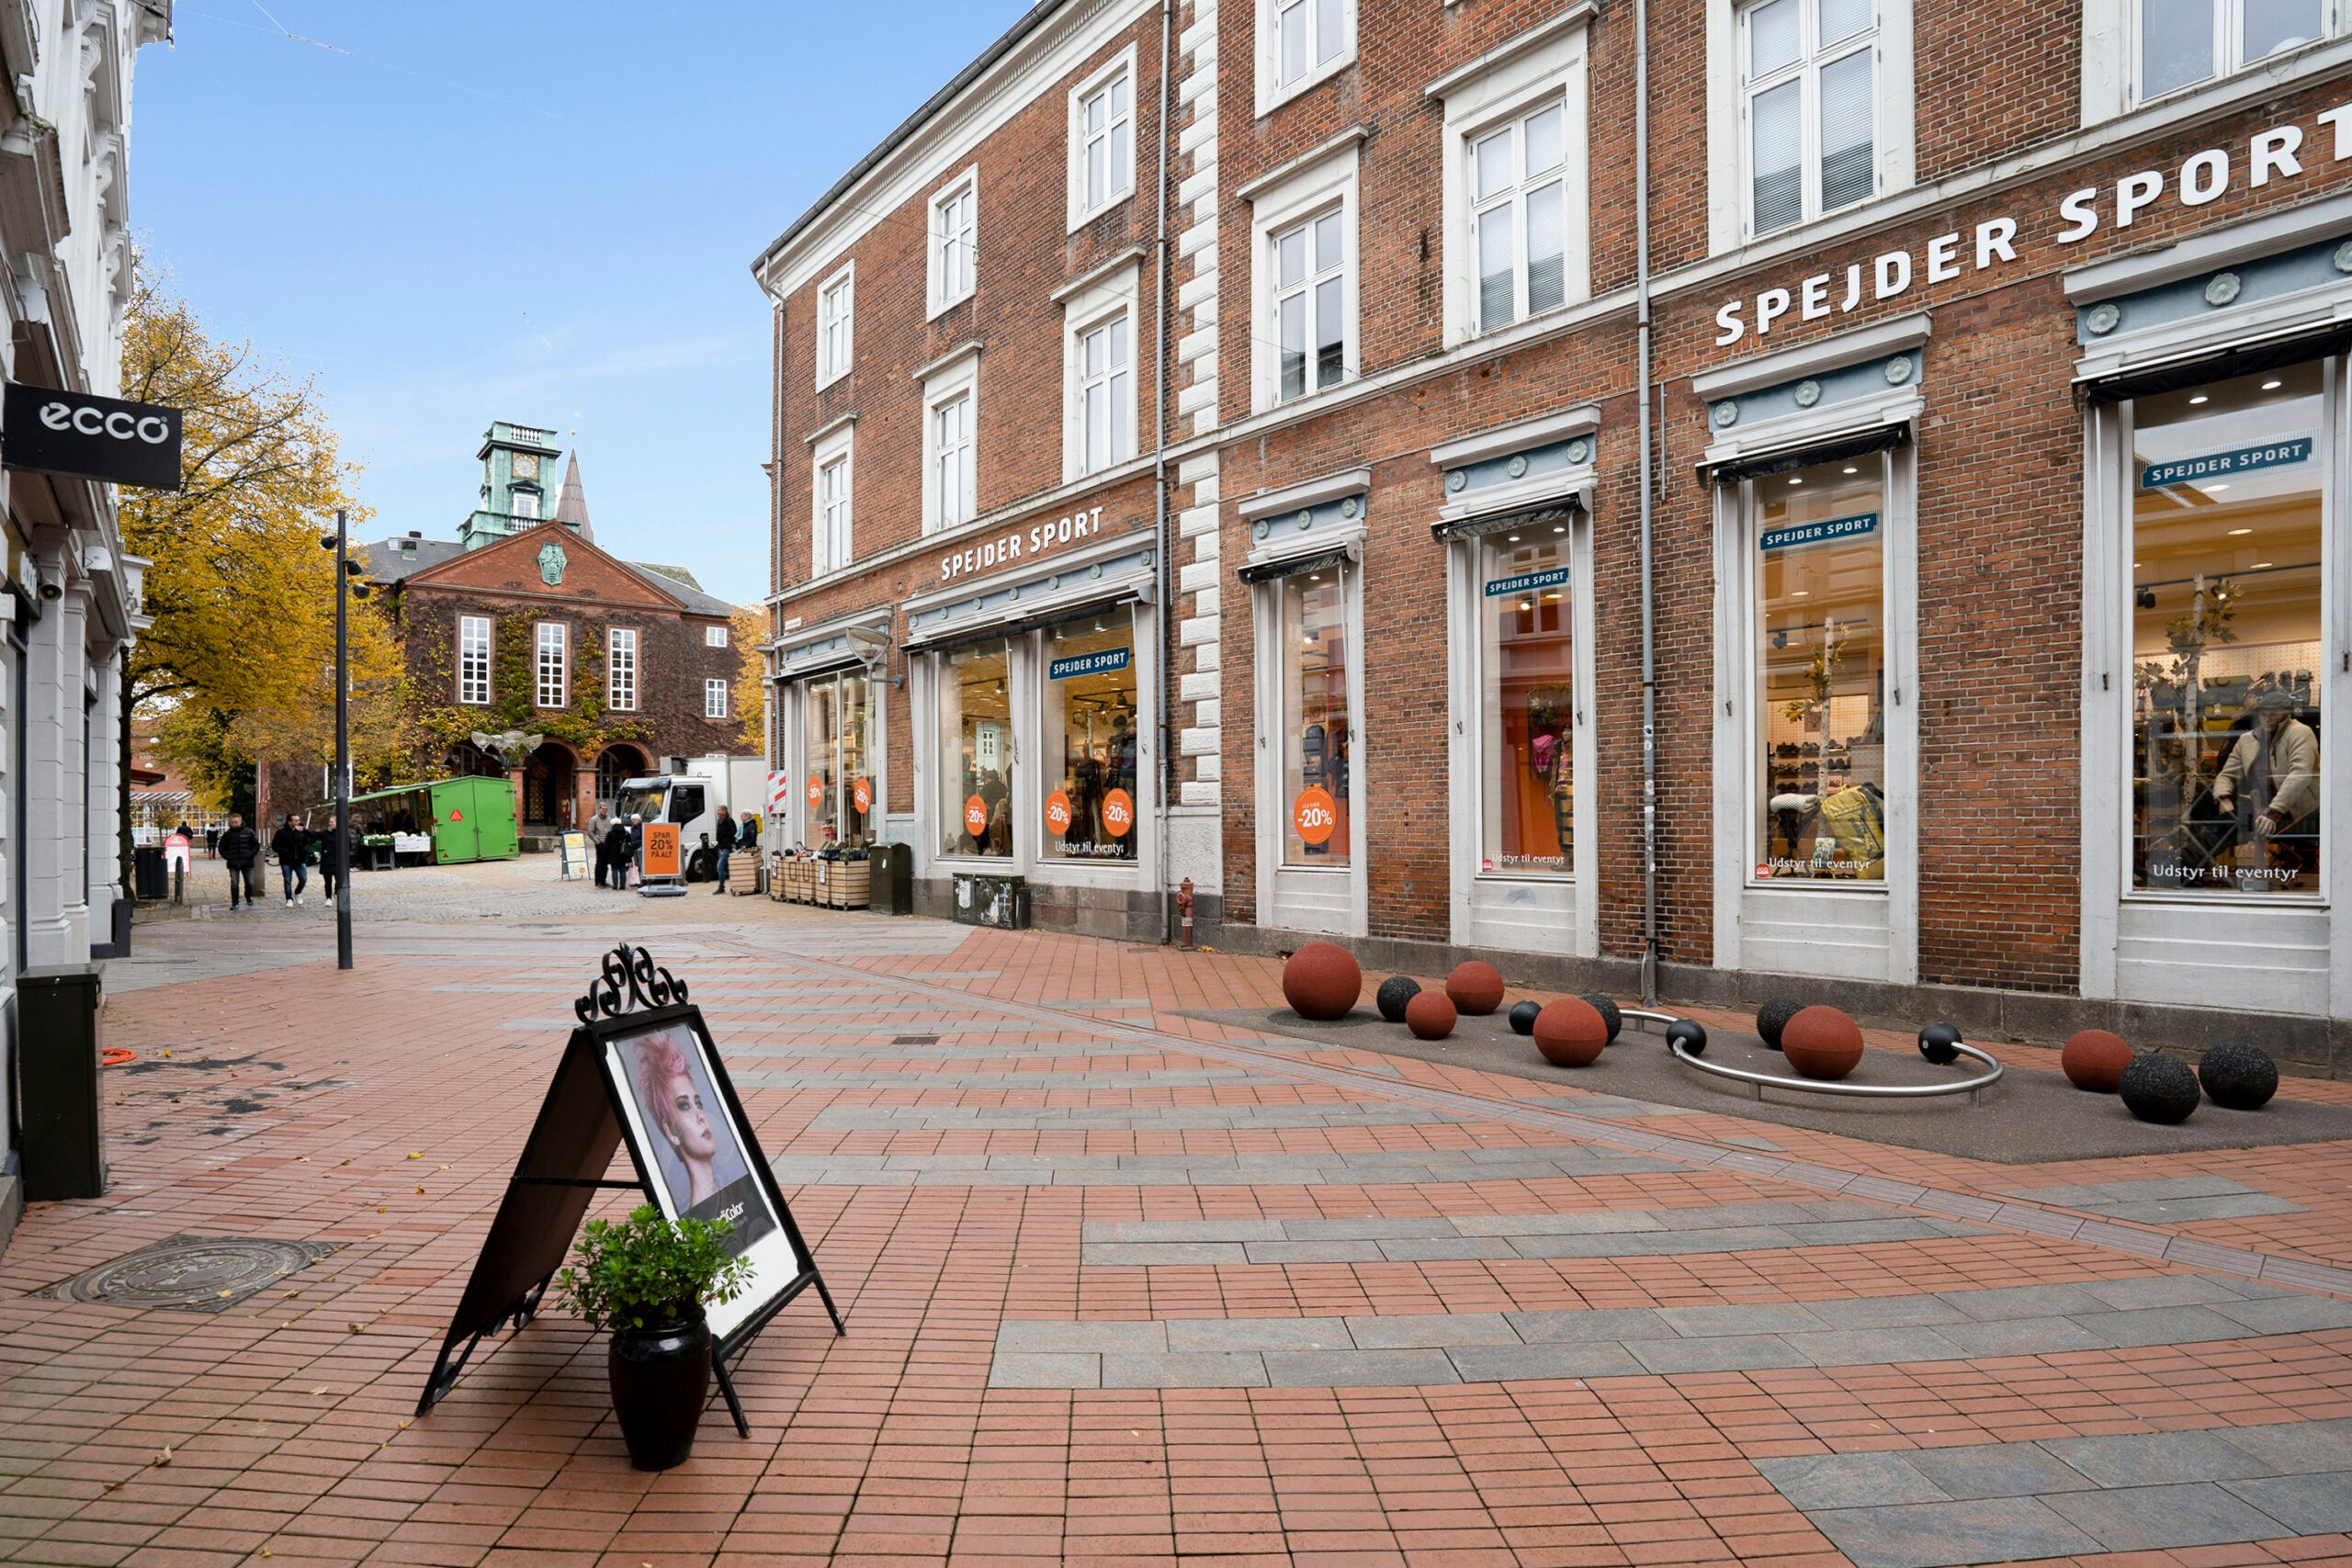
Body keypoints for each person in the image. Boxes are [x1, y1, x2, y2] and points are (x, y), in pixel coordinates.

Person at [2212, 685, 2319, 853]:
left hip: (2294, 813)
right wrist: (2223, 799)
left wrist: (2275, 811)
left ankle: (2183, 865)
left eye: (2274, 713)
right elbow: (2226, 776)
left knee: (2226, 826)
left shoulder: (2300, 732)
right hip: (2258, 807)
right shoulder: (2247, 740)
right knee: (2205, 812)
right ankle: (2183, 861)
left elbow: (2300, 774)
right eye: (2264, 713)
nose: (2268, 718)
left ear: (2286, 713)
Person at [634, 1032, 722, 1206]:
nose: (700, 1116)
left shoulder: (739, 1199)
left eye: (699, 1104)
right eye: (684, 1106)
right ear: (671, 1131)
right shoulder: (695, 1225)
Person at [217, 814, 260, 910]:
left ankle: (248, 896)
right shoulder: (227, 834)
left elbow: (256, 845)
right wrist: (228, 857)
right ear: (230, 823)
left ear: (241, 822)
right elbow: (221, 847)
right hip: (233, 863)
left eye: (236, 822)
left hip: (247, 862)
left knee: (250, 883)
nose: (234, 824)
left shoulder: (248, 832)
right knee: (234, 883)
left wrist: (251, 854)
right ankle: (235, 902)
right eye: (232, 822)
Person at [270, 814, 311, 908]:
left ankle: (298, 892)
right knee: (287, 880)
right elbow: (275, 846)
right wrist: (285, 852)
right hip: (286, 861)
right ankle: (289, 898)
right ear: (289, 822)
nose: (298, 822)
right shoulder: (281, 832)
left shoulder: (302, 831)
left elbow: (308, 842)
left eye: (298, 820)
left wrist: (304, 850)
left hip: (300, 860)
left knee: (303, 879)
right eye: (296, 820)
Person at [315, 815, 348, 902]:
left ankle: (336, 893)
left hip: (338, 861)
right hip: (327, 861)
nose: (330, 824)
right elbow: (315, 835)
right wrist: (304, 830)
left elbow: (348, 845)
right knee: (327, 881)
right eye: (330, 822)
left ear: (337, 822)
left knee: (339, 880)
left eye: (332, 822)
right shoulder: (325, 833)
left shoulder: (343, 833)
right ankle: (328, 897)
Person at [586, 803, 616, 888]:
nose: (604, 811)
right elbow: (590, 832)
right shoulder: (594, 819)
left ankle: (603, 881)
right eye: (603, 809)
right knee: (600, 863)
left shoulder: (609, 819)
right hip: (600, 843)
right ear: (599, 809)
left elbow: (610, 830)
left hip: (608, 844)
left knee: (606, 863)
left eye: (606, 809)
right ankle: (598, 882)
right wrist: (597, 842)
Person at [711, 805, 737, 894]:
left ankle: (721, 887)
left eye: (719, 810)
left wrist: (732, 844)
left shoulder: (729, 820)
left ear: (724, 811)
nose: (717, 812)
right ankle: (727, 886)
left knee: (720, 867)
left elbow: (734, 833)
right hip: (721, 847)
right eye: (717, 810)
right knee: (723, 867)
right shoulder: (720, 821)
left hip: (727, 847)